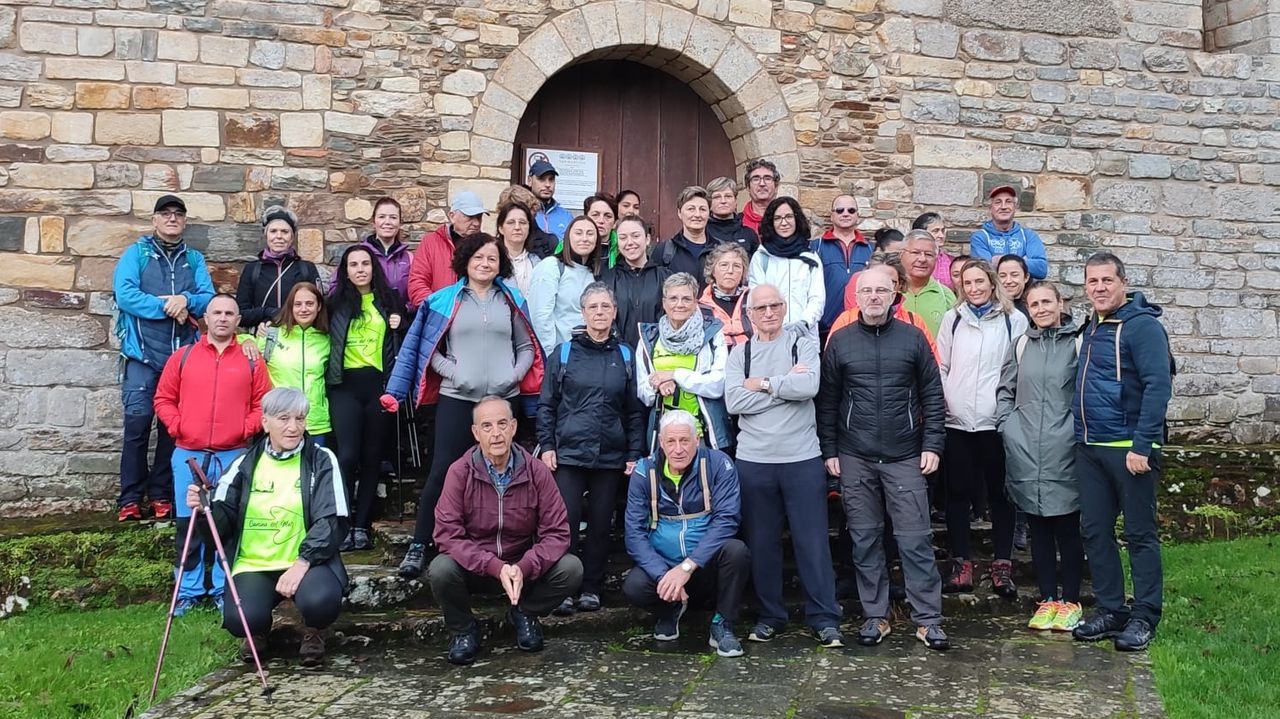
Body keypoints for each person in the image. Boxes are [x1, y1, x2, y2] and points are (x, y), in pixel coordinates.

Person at [386, 234, 542, 579]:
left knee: (507, 471)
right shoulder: (444, 300)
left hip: (504, 400)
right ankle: (419, 544)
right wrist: (454, 372)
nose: (485, 264)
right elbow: (430, 351)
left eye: (492, 258)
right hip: (458, 398)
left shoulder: (512, 299)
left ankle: (514, 546)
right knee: (443, 470)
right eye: (479, 258)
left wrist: (512, 376)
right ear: (466, 261)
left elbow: (527, 346)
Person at [817, 265, 949, 650]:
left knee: (915, 540)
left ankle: (928, 619)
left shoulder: (913, 338)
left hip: (905, 454)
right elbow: (827, 403)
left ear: (895, 295)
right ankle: (876, 615)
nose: (874, 297)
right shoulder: (840, 340)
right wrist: (830, 452)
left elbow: (933, 396)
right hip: (854, 455)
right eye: (867, 291)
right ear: (856, 297)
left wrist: (932, 444)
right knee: (865, 539)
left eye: (882, 290)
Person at [192, 387, 348, 667]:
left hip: (307, 563)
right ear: (265, 422)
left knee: (321, 602)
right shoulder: (243, 464)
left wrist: (302, 562)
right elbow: (221, 524)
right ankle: (258, 630)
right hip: (254, 563)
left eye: (300, 419)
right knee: (240, 620)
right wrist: (204, 511)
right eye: (283, 418)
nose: (293, 427)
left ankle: (315, 630)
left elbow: (331, 520)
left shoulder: (322, 459)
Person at [725, 285, 843, 648]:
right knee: (762, 544)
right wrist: (783, 388)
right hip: (754, 461)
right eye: (761, 307)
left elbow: (808, 386)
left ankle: (824, 619)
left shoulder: (802, 343)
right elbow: (732, 400)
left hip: (801, 458)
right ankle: (770, 617)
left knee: (812, 543)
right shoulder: (739, 353)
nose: (769, 312)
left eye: (775, 305)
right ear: (750, 313)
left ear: (784, 307)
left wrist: (761, 385)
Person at [427, 397, 583, 665]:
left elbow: (557, 533)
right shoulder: (459, 472)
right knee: (440, 569)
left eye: (502, 424)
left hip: (523, 569)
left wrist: (524, 566)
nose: (496, 433)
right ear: (476, 433)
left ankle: (524, 613)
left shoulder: (537, 472)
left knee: (572, 568)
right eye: (486, 426)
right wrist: (493, 566)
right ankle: (464, 630)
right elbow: (447, 533)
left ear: (513, 427)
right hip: (477, 568)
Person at [1071, 252, 1173, 652]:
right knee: (1095, 532)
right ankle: (1112, 609)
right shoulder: (1092, 326)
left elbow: (1157, 386)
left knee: (1139, 534)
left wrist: (1142, 444)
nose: (1099, 288)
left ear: (1123, 283)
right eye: (1092, 281)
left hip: (1129, 449)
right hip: (1090, 446)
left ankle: (1145, 616)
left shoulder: (1142, 327)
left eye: (1106, 281)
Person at [155, 294, 271, 615]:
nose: (222, 318)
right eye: (216, 312)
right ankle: (188, 589)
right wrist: (178, 426)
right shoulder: (184, 356)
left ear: (237, 321)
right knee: (187, 523)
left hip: (232, 454)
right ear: (205, 318)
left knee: (227, 523)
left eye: (229, 313)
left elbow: (264, 402)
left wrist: (244, 428)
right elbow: (164, 398)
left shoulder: (251, 360)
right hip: (187, 453)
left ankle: (223, 587)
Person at [538, 283, 646, 614]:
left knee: (601, 524)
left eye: (605, 307)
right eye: (593, 307)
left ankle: (592, 588)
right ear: (583, 313)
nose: (599, 313)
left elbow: (635, 410)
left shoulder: (626, 355)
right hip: (568, 453)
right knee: (565, 523)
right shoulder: (564, 353)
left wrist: (634, 452)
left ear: (615, 312)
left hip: (610, 455)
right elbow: (547, 405)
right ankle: (564, 588)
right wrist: (546, 444)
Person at [114, 194, 216, 521]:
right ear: (155, 220)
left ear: (184, 221)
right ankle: (129, 498)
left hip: (182, 360)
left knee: (173, 431)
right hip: (142, 357)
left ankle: (161, 495)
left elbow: (207, 299)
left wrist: (185, 298)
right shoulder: (137, 254)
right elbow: (125, 294)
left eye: (178, 214)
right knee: (137, 426)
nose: (172, 218)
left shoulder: (194, 259)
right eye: (165, 214)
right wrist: (166, 306)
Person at [622, 410, 749, 657]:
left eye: (684, 441)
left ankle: (722, 623)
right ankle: (669, 609)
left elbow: (727, 520)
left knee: (737, 552)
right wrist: (663, 575)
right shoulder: (643, 471)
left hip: (704, 564)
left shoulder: (718, 464)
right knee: (634, 586)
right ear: (661, 443)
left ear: (697, 440)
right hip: (665, 562)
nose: (678, 449)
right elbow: (634, 534)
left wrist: (687, 567)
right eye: (671, 441)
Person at [936, 260, 1028, 596]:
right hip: (957, 421)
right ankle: (962, 563)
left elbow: (1019, 368)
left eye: (980, 282)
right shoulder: (953, 318)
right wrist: (949, 400)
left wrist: (1008, 411)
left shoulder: (1013, 320)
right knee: (957, 494)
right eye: (968, 283)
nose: (974, 288)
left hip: (996, 422)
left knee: (1001, 495)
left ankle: (1002, 565)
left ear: (992, 284)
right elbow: (942, 364)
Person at [996, 281, 1084, 633]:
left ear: (1061, 304)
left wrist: (1075, 430)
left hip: (1065, 447)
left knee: (1067, 526)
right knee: (1037, 526)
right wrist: (1008, 426)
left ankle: (1072, 600)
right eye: (1034, 304)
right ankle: (1047, 599)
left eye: (1048, 301)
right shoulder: (1020, 345)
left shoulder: (1079, 343)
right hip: (1026, 447)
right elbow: (1006, 388)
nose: (1042, 309)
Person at [327, 245, 405, 552]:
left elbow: (404, 335)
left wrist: (401, 318)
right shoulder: (335, 303)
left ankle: (361, 526)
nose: (360, 269)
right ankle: (344, 525)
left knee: (373, 457)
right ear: (345, 271)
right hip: (344, 385)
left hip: (379, 384)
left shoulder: (390, 300)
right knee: (346, 456)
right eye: (353, 265)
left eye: (365, 264)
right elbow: (307, 322)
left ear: (374, 267)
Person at [637, 273, 733, 453]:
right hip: (664, 438)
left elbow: (717, 385)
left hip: (704, 434)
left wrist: (675, 375)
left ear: (696, 302)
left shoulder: (712, 334)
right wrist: (659, 385)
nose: (679, 304)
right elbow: (644, 394)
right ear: (664, 302)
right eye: (673, 298)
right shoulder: (648, 338)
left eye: (686, 299)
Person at [254, 282, 332, 445]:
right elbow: (243, 347)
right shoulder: (271, 335)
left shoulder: (326, 338)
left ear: (318, 307)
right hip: (280, 421)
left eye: (309, 303)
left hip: (316, 422)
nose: (303, 309)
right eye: (298, 304)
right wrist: (247, 339)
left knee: (313, 470)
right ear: (290, 307)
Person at [829, 253, 938, 361]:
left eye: (890, 282)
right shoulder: (846, 320)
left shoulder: (914, 322)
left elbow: (931, 366)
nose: (881, 286)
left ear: (900, 284)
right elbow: (832, 364)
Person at [236, 205, 321, 332]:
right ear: (266, 235)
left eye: (285, 232)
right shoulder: (252, 270)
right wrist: (267, 313)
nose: (279, 236)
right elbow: (240, 315)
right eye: (273, 231)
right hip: (262, 337)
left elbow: (318, 309)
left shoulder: (307, 269)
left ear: (292, 237)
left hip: (298, 338)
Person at [748, 197, 824, 336]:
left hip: (805, 336)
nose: (784, 223)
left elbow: (817, 297)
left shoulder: (810, 257)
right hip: (770, 336)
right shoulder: (762, 257)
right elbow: (756, 297)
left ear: (797, 219)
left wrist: (804, 323)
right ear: (771, 222)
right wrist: (773, 327)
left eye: (788, 216)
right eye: (777, 218)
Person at [529, 216, 601, 353]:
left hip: (587, 355)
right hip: (559, 355)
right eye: (578, 233)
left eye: (590, 234)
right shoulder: (551, 266)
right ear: (568, 237)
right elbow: (541, 317)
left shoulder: (594, 274)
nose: (584, 238)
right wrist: (550, 356)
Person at [600, 215, 668, 350]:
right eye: (623, 238)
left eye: (635, 236)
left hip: (656, 354)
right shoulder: (607, 278)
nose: (629, 242)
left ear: (647, 239)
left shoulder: (665, 277)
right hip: (616, 355)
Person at [407, 190, 485, 309]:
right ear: (452, 216)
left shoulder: (486, 246)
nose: (476, 223)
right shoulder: (430, 243)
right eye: (469, 216)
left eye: (479, 217)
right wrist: (439, 309)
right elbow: (417, 283)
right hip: (439, 317)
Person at [812, 195, 871, 341]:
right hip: (825, 328)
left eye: (851, 210)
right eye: (840, 210)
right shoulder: (815, 247)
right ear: (831, 216)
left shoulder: (871, 249)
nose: (845, 213)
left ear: (857, 215)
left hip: (861, 327)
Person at [969, 185, 1048, 279]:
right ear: (990, 208)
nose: (1003, 207)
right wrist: (1023, 261)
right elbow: (983, 271)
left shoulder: (1028, 236)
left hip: (1025, 292)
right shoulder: (980, 237)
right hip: (995, 293)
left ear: (1015, 207)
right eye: (998, 202)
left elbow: (1041, 269)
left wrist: (997, 261)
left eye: (1008, 201)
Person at [653, 186, 715, 287]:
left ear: (709, 213)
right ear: (679, 213)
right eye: (691, 209)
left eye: (703, 209)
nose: (697, 214)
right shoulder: (665, 251)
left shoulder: (720, 250)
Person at [899, 230, 957, 338]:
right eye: (915, 253)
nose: (922, 259)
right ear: (901, 255)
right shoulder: (890, 291)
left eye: (929, 254)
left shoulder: (946, 296)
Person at [361, 197, 414, 308]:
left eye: (393, 217)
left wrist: (406, 310)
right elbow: (337, 287)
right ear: (373, 222)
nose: (387, 222)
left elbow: (416, 291)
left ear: (400, 223)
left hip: (399, 321)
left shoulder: (409, 258)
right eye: (382, 217)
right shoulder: (359, 254)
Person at [698, 243, 752, 348]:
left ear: (743, 272)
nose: (730, 271)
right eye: (724, 265)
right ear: (713, 271)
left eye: (736, 266)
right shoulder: (699, 307)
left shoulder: (753, 302)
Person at [500, 184, 558, 258]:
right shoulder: (493, 245)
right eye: (511, 221)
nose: (517, 226)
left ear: (532, 211)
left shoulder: (548, 243)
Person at [705, 176, 759, 252]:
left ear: (735, 201)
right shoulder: (702, 232)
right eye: (717, 197)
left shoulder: (748, 234)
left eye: (728, 196)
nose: (723, 201)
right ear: (709, 203)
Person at [497, 201, 539, 297]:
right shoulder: (492, 261)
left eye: (522, 222)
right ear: (501, 228)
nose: (517, 227)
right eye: (511, 222)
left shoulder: (538, 264)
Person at [529, 159, 572, 241]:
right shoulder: (523, 212)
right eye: (542, 179)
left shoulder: (566, 216)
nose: (548, 185)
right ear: (530, 181)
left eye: (551, 179)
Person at [912, 212, 953, 290]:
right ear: (921, 234)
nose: (941, 235)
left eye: (943, 231)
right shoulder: (912, 260)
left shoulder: (951, 261)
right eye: (935, 231)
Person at [741, 159, 779, 233]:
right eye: (756, 179)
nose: (762, 183)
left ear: (776, 187)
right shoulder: (738, 223)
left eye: (767, 178)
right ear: (748, 187)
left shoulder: (787, 222)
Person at [582, 193, 619, 268]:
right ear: (585, 218)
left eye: (608, 216)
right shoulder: (569, 245)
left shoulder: (622, 248)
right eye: (595, 215)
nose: (601, 221)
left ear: (615, 223)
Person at [998, 254, 1032, 321]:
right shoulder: (991, 307)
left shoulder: (1034, 306)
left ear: (1026, 277)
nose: (1008, 281)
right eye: (1002, 276)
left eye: (1014, 275)